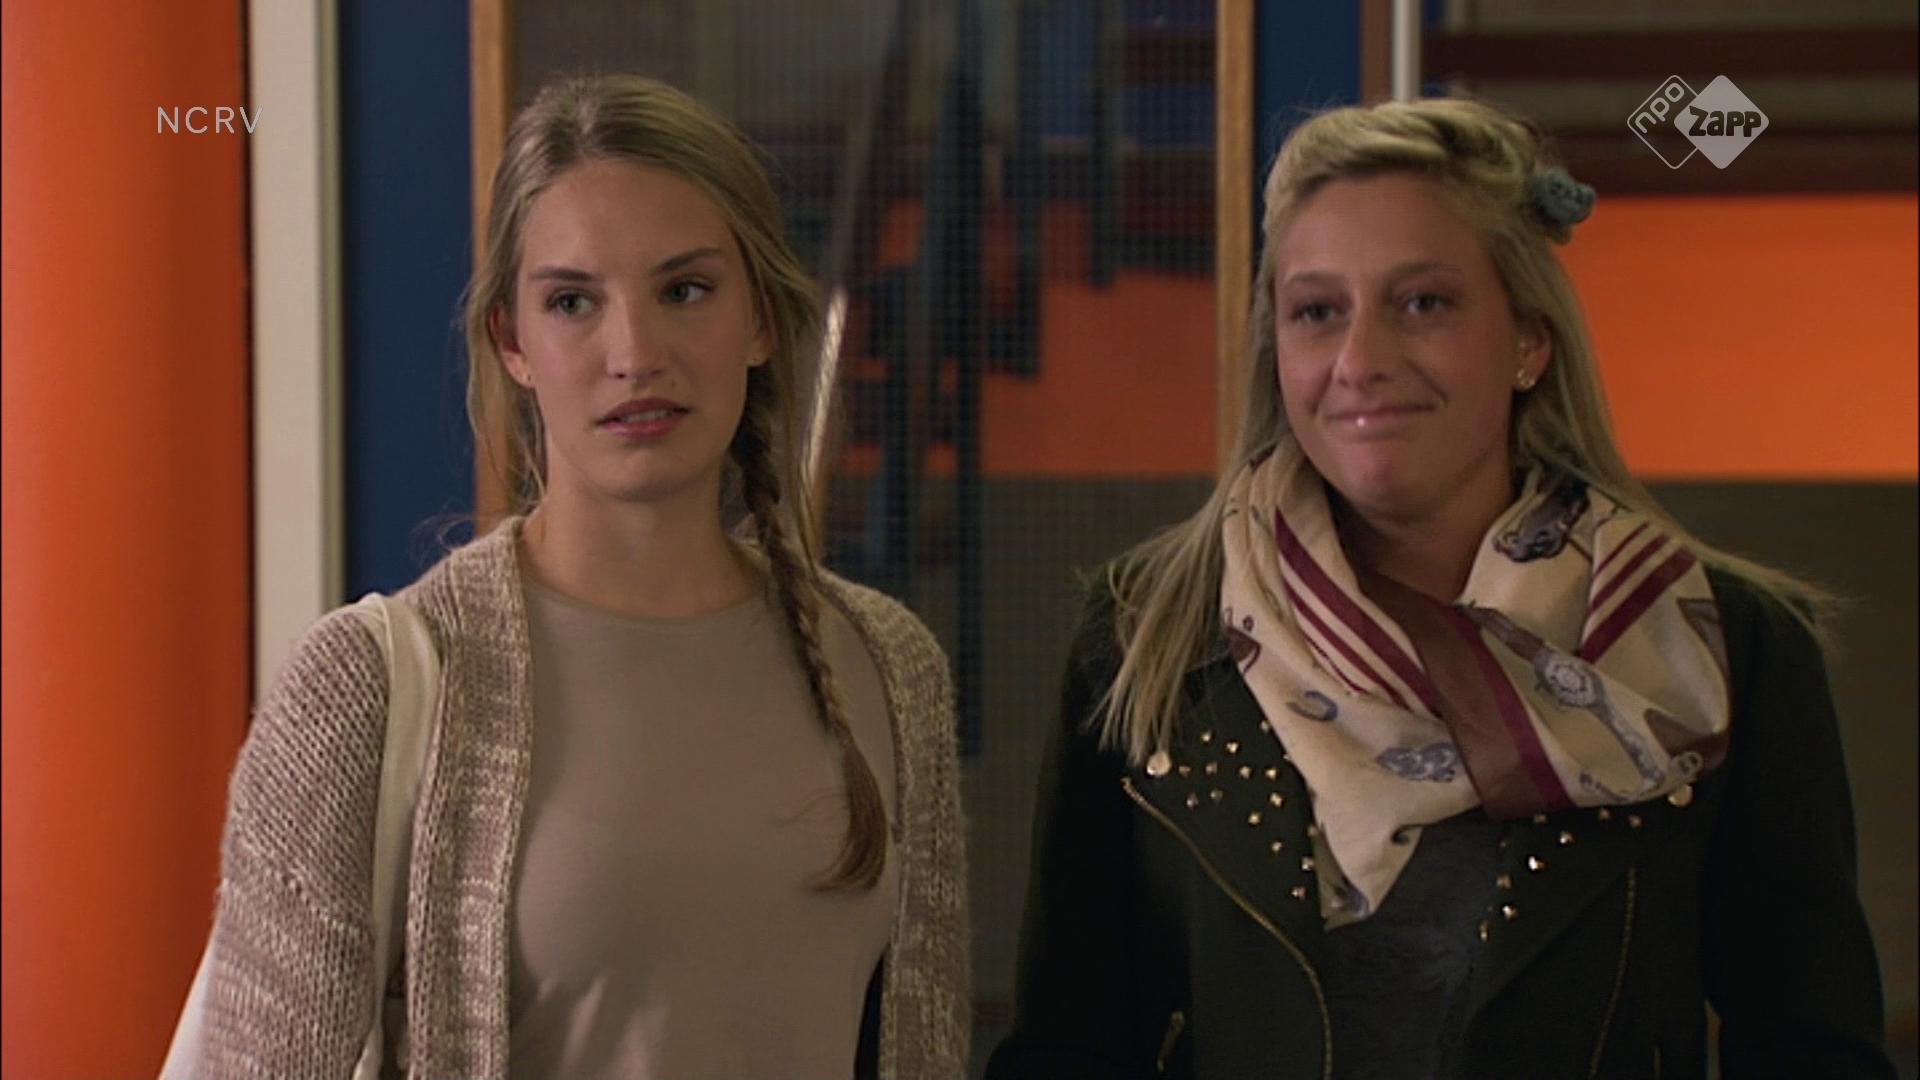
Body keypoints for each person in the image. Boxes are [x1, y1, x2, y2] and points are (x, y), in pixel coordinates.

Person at [986, 98, 1893, 1079]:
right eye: (1317, 312)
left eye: (1423, 303)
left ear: (1528, 342)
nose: (1361, 362)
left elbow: (1810, 1049)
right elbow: (1067, 1049)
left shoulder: (1720, 643)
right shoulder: (1147, 629)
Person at [199, 75, 969, 1079]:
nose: (634, 353)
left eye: (685, 291)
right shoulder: (369, 687)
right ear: (513, 342)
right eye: (573, 302)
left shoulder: (893, 667)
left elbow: (925, 1048)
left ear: (760, 320)